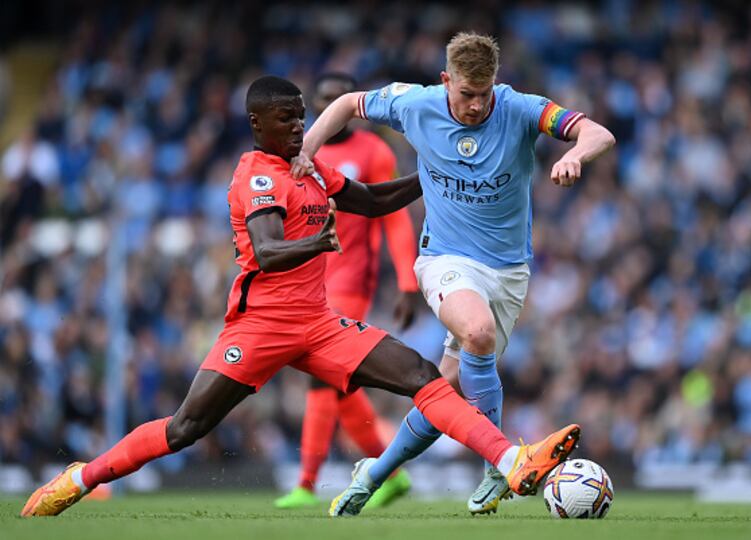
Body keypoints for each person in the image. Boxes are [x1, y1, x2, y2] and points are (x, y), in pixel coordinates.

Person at [20, 75, 580, 518]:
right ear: (255, 122)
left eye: (301, 118)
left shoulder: (308, 169)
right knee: (184, 428)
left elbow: (369, 198)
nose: (297, 128)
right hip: (258, 327)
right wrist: (320, 241)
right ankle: (80, 478)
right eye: (285, 119)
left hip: (317, 324)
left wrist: (430, 176)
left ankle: (510, 459)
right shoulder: (258, 177)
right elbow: (266, 251)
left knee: (423, 377)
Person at [292, 32, 615, 516]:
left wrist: (573, 154)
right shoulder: (414, 103)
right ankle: (501, 466)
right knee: (478, 334)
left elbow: (598, 133)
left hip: (507, 271)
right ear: (446, 81)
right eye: (466, 94)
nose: (475, 104)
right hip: (444, 259)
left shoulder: (522, 108)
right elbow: (346, 103)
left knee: (443, 391)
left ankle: (373, 474)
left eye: (484, 93)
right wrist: (307, 153)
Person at [274, 72, 418, 510]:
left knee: (324, 378)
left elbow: (391, 217)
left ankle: (305, 483)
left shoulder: (372, 151)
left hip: (351, 280)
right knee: (340, 385)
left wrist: (408, 282)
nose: (333, 107)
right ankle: (389, 473)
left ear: (355, 106)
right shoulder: (298, 155)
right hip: (307, 281)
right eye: (325, 99)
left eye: (342, 100)